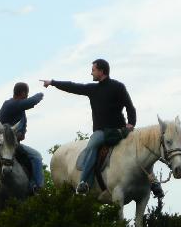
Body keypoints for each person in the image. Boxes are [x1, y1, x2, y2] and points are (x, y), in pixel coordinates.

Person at [42, 58, 139, 195]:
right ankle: (84, 182)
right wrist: (53, 83)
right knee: (92, 146)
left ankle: (153, 183)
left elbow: (130, 107)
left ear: (101, 71)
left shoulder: (118, 87)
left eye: (93, 70)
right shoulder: (93, 89)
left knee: (140, 144)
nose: (91, 73)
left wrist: (131, 124)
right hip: (100, 132)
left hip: (119, 131)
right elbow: (73, 87)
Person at [0, 82, 45, 192]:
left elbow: (23, 126)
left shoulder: (20, 109)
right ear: (23, 93)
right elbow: (32, 101)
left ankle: (31, 184)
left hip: (14, 143)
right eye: (27, 94)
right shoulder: (11, 104)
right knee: (36, 156)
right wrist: (41, 94)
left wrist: (21, 134)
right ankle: (38, 187)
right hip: (4, 144)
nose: (27, 96)